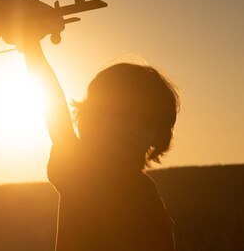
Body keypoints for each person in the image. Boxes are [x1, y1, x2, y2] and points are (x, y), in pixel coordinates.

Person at [23, 40, 179, 251]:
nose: (133, 128)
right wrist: (32, 48)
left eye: (147, 122)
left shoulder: (145, 188)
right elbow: (55, 111)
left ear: (157, 135)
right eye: (123, 116)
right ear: (95, 116)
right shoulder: (83, 169)